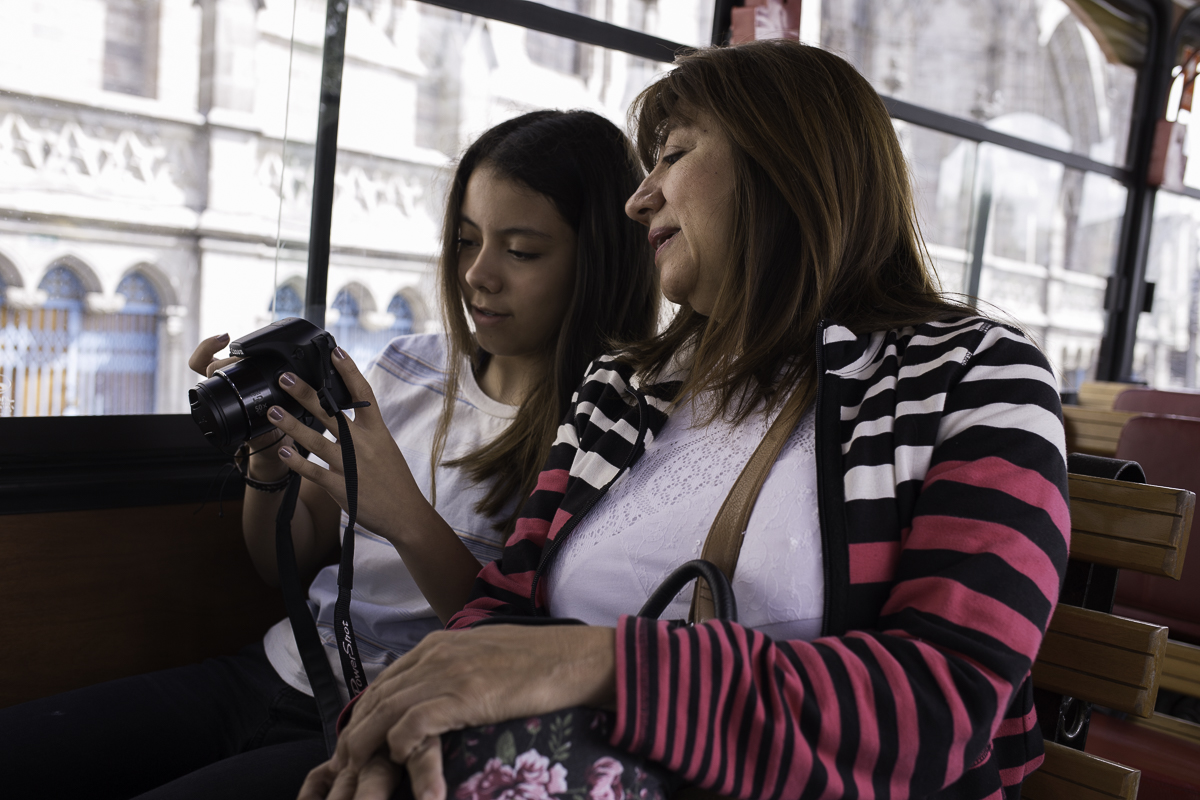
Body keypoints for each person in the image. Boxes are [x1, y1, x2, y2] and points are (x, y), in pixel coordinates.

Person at [300, 41, 1070, 800]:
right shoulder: (624, 387)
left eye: (671, 155)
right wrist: (400, 723)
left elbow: (940, 705)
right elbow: (504, 600)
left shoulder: (972, 376)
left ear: (785, 162)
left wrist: (594, 664)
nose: (641, 198)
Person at [0, 109, 657, 800]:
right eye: (465, 240)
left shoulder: (608, 427)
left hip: (387, 728)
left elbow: (528, 653)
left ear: (599, 260)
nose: (477, 275)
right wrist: (268, 461)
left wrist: (405, 517)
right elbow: (281, 556)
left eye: (521, 251)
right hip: (278, 669)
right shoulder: (409, 367)